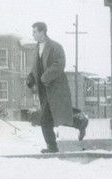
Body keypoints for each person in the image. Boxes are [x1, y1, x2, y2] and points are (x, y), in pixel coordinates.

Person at [26, 22, 88, 153]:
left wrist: (44, 77)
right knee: (56, 115)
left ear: (42, 32)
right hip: (44, 90)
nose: (33, 34)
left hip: (56, 88)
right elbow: (35, 67)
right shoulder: (36, 48)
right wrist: (31, 77)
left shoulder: (55, 46)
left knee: (46, 118)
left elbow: (59, 64)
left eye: (35, 32)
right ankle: (80, 122)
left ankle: (52, 147)